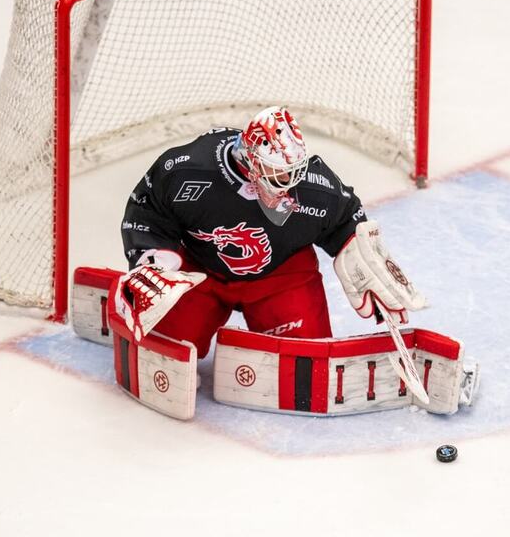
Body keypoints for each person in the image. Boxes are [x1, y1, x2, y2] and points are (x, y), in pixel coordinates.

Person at [108, 106, 426, 417]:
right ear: (249, 162)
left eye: (295, 170)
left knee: (307, 368)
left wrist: (354, 249)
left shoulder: (314, 187)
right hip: (199, 273)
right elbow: (147, 210)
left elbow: (345, 217)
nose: (290, 181)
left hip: (280, 277)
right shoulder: (186, 170)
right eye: (278, 173)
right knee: (163, 351)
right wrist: (152, 258)